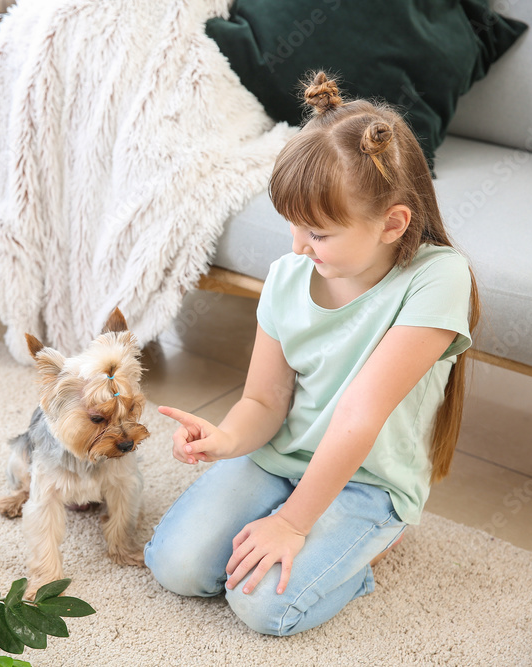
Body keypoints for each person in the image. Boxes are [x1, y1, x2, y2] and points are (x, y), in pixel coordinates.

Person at [143, 71, 480, 636]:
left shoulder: (439, 278)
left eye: (318, 234)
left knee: (265, 607)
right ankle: (309, 533)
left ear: (393, 224)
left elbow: (359, 415)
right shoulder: (288, 274)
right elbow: (264, 398)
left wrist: (294, 524)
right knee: (174, 566)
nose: (298, 247)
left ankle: (363, 554)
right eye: (292, 228)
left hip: (368, 479)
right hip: (282, 457)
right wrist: (227, 439)